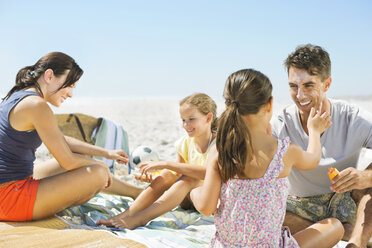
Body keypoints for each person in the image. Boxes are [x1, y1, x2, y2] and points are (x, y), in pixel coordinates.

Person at [190, 69, 344, 247]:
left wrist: (194, 193)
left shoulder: (220, 150)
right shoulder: (284, 151)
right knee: (335, 226)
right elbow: (313, 159)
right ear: (269, 104)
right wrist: (315, 132)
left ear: (228, 105)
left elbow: (206, 207)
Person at [0, 52, 142, 222]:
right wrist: (101, 165)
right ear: (49, 75)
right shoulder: (37, 105)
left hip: (12, 185)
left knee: (84, 161)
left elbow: (60, 139)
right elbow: (68, 161)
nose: (70, 94)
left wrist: (106, 153)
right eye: (70, 85)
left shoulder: (18, 96)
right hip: (9, 199)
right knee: (97, 173)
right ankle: (136, 192)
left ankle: (137, 193)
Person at [271, 44, 372, 247]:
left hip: (344, 200)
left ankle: (355, 242)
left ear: (327, 84)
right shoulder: (280, 124)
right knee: (266, 207)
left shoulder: (353, 118)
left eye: (308, 85)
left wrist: (365, 176)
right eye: (293, 86)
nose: (300, 95)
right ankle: (338, 231)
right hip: (297, 206)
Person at [97, 93, 217, 229]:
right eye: (183, 120)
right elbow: (178, 174)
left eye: (191, 119)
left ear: (208, 118)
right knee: (167, 174)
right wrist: (155, 178)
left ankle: (140, 219)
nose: (186, 125)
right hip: (187, 198)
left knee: (187, 177)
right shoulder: (184, 143)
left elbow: (206, 173)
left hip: (207, 200)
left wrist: (166, 163)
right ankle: (126, 215)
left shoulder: (218, 145)